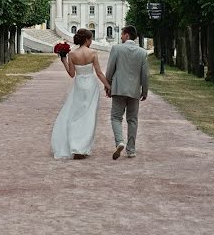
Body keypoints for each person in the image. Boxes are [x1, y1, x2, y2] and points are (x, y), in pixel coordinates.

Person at [51, 28, 111, 159]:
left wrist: (63, 60)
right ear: (87, 39)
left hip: (79, 85)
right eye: (90, 39)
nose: (91, 41)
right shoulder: (93, 53)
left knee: (76, 114)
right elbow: (99, 73)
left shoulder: (72, 54)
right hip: (91, 85)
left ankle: (74, 144)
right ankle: (81, 147)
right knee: (89, 115)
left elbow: (72, 74)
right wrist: (108, 86)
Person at [105, 25, 149, 159]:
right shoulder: (142, 52)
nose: (121, 36)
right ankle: (131, 150)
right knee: (133, 120)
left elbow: (110, 69)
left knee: (116, 117)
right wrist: (144, 91)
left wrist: (108, 85)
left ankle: (119, 141)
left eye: (122, 34)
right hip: (134, 90)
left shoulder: (117, 49)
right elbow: (145, 75)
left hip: (118, 89)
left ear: (127, 35)